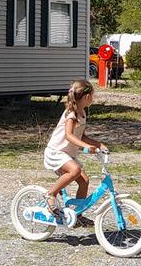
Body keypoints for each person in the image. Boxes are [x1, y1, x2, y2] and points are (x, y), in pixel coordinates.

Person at [43, 79, 107, 226]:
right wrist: (86, 147)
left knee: (84, 181)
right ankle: (51, 194)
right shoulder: (71, 114)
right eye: (93, 95)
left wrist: (98, 144)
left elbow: (81, 136)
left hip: (67, 155)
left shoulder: (82, 113)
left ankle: (78, 214)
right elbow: (69, 135)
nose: (93, 98)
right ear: (87, 97)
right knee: (76, 170)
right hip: (56, 152)